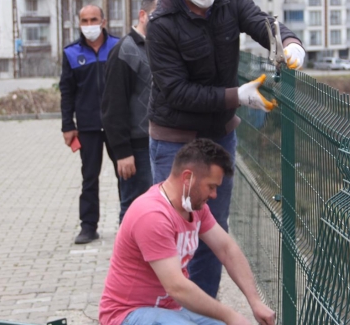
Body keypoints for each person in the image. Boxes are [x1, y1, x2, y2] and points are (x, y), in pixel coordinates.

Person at [146, 0, 307, 297]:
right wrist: (237, 96)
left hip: (218, 137)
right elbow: (176, 91)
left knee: (213, 228)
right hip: (175, 139)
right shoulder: (161, 24)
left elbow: (262, 22)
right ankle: (169, 309)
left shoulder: (229, 0)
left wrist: (289, 42)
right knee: (174, 227)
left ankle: (203, 308)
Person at [99, 139, 275, 325]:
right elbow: (177, 287)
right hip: (127, 314)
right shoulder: (152, 215)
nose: (214, 195)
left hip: (171, 310)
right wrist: (229, 315)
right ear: (187, 178)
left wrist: (255, 302)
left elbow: (227, 249)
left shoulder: (195, 208)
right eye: (211, 186)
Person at [60, 5, 121, 244]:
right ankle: (88, 226)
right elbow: (67, 92)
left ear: (103, 21)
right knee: (89, 178)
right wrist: (67, 125)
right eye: (84, 21)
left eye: (93, 19)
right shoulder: (71, 53)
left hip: (117, 125)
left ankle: (127, 222)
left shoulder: (118, 47)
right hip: (87, 127)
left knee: (126, 176)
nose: (89, 25)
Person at [101, 0, 164, 223]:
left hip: (158, 143)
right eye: (158, 15)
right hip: (136, 149)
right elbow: (112, 107)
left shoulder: (158, 47)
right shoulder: (125, 51)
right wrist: (122, 152)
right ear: (142, 15)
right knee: (134, 210)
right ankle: (127, 259)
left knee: (154, 211)